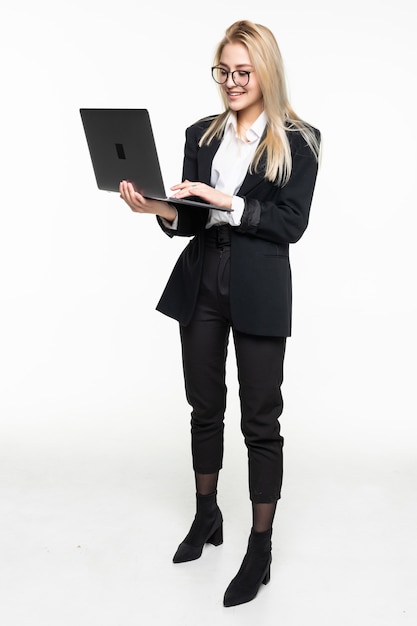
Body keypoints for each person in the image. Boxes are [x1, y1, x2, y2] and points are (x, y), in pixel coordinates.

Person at [119, 19, 321, 607]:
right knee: (203, 405)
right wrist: (157, 209)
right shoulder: (201, 134)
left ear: (266, 72)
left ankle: (260, 546)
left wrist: (227, 200)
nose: (231, 82)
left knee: (261, 418)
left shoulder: (301, 140)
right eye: (224, 71)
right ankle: (208, 516)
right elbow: (188, 222)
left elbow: (291, 223)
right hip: (204, 278)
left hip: (258, 286)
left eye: (243, 72)